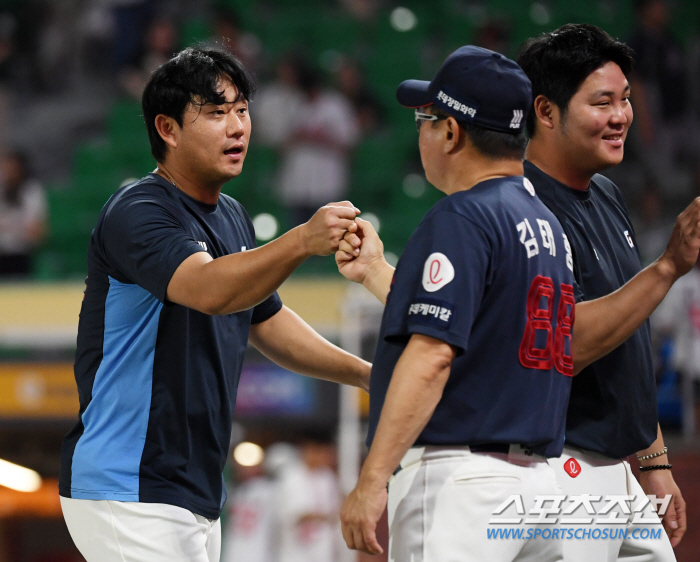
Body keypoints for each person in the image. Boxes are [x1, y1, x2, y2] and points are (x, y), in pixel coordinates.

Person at [58, 47, 371, 562]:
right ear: (168, 128)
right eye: (217, 112)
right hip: (126, 483)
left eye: (243, 110)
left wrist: (367, 374)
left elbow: (267, 323)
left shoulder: (232, 216)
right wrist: (300, 241)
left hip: (195, 491)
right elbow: (210, 291)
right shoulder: (138, 211)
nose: (237, 127)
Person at [337, 45, 575, 561]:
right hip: (538, 489)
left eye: (426, 118)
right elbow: (480, 323)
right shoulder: (547, 225)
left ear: (450, 132)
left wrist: (372, 479)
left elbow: (433, 355)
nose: (420, 131)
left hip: (462, 485)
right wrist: (377, 273)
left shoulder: (462, 216)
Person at [516, 24, 700, 560]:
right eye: (602, 102)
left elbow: (627, 348)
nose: (621, 115)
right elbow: (558, 350)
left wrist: (655, 463)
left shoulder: (605, 192)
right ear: (545, 111)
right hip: (559, 470)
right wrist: (667, 268)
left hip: (617, 471)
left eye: (624, 100)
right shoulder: (525, 210)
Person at [0, 149, 47, 276]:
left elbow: (36, 231)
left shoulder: (32, 191)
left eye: (13, 170)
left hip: (22, 255)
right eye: (6, 169)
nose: (9, 173)